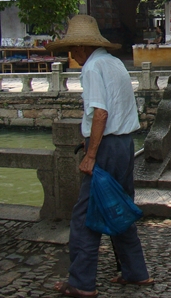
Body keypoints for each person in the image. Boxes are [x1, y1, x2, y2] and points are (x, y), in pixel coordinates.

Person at [48, 15, 153, 298]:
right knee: (120, 208)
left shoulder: (93, 67)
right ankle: (135, 271)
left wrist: (91, 154)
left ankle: (81, 282)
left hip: (106, 148)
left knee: (85, 215)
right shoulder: (114, 63)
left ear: (82, 46)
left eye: (73, 49)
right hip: (124, 145)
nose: (72, 55)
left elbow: (100, 113)